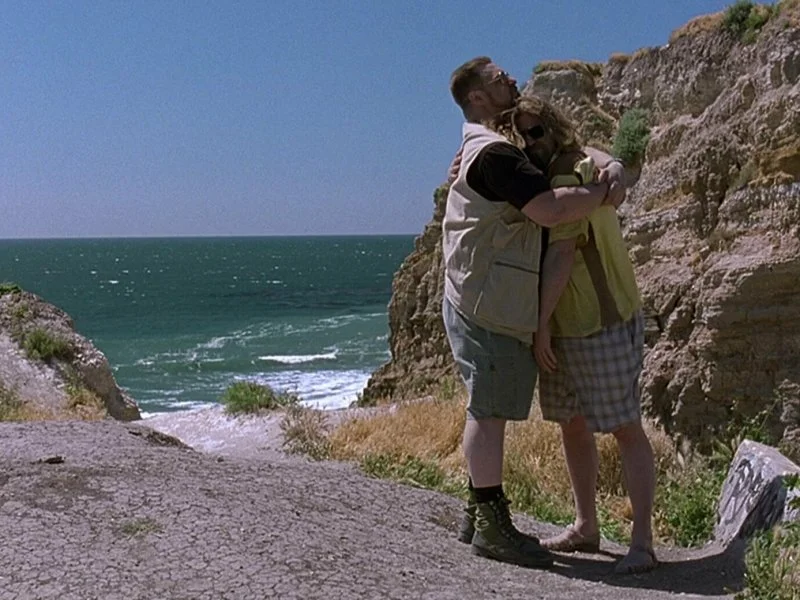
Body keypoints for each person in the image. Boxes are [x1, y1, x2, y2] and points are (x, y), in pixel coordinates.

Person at [442, 57, 626, 569]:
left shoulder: (486, 148)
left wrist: (610, 162)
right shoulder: (495, 154)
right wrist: (602, 192)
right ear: (477, 96)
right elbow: (552, 209)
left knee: (485, 407)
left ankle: (478, 512)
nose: (510, 79)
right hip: (489, 304)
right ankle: (491, 525)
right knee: (489, 412)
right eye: (498, 78)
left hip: (475, 296)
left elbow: (567, 150)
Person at [495, 96, 657, 574]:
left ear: (555, 128)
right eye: (523, 136)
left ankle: (643, 544)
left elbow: (562, 255)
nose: (531, 143)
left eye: (537, 132)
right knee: (573, 424)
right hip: (575, 323)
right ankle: (587, 526)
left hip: (597, 320)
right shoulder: (572, 166)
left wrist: (540, 326)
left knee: (625, 428)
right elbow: (604, 160)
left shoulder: (568, 173)